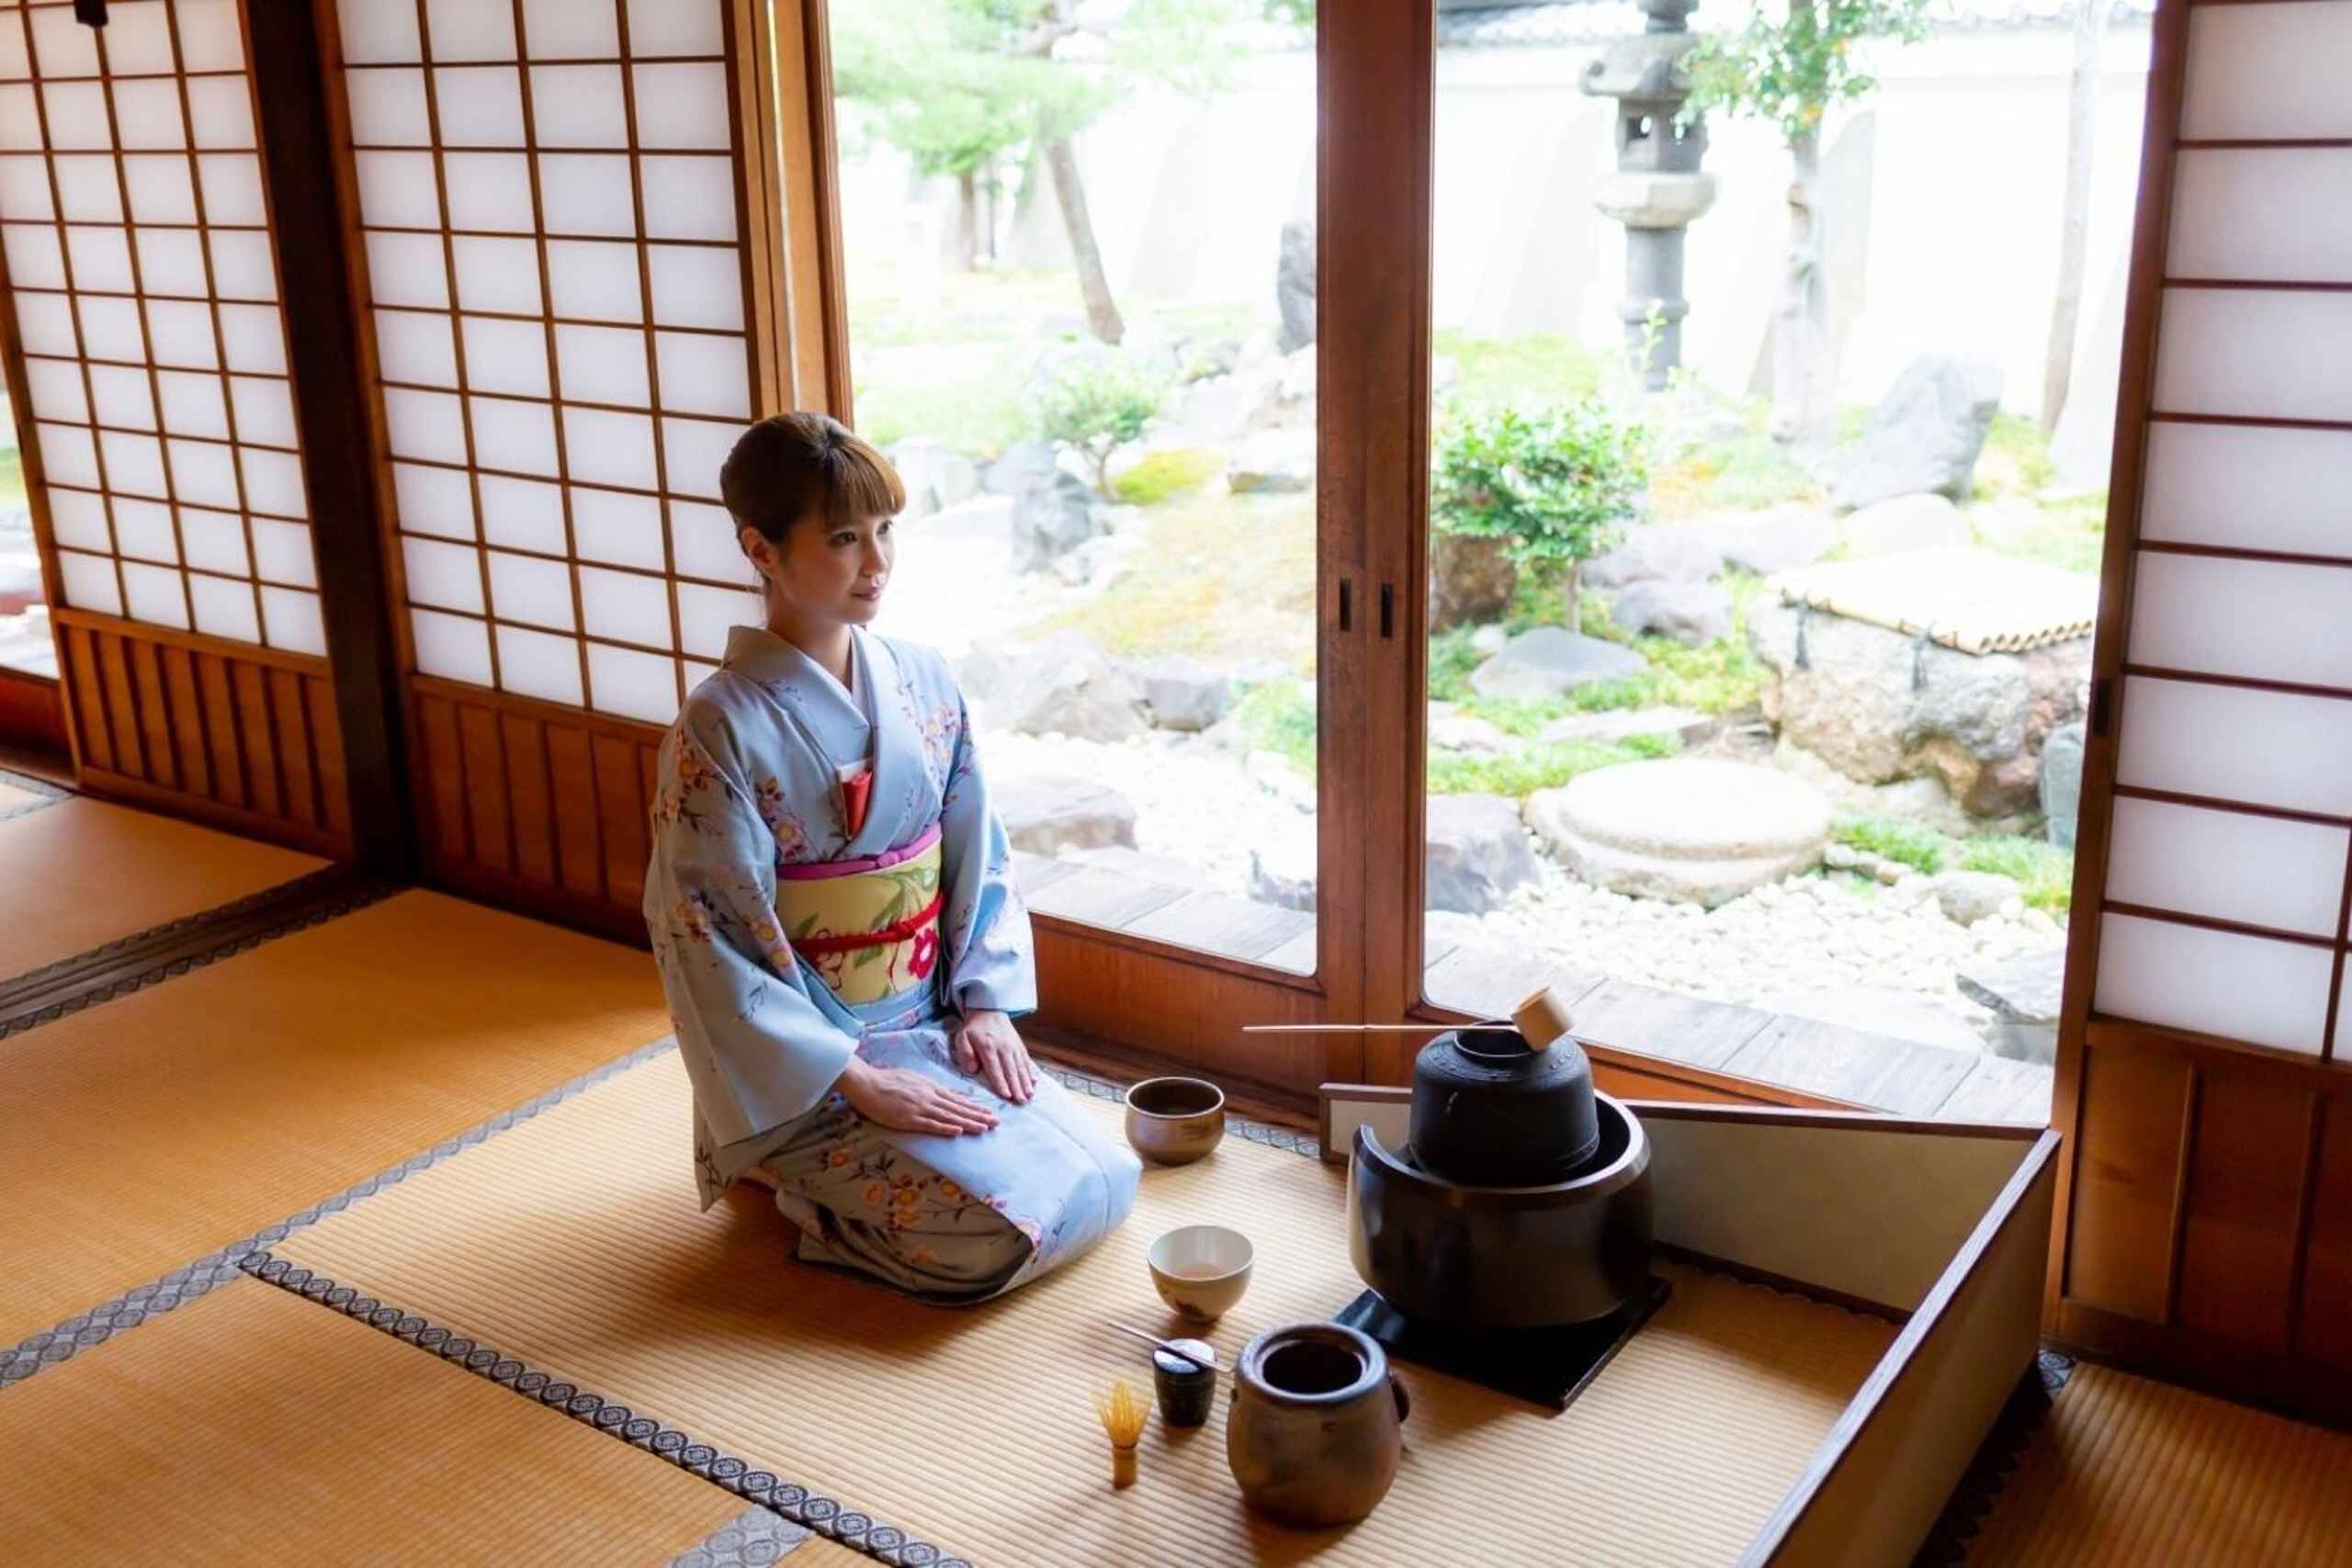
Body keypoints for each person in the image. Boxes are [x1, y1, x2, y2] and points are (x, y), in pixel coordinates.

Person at [643, 412, 1138, 1303]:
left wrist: (983, 1007)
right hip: (808, 1070)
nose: (876, 563)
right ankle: (790, 1185)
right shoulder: (718, 727)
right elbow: (704, 936)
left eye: (883, 532)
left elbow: (977, 853)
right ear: (761, 549)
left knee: (1102, 1181)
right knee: (995, 1242)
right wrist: (855, 1079)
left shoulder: (924, 678)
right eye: (842, 538)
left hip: (933, 1022)